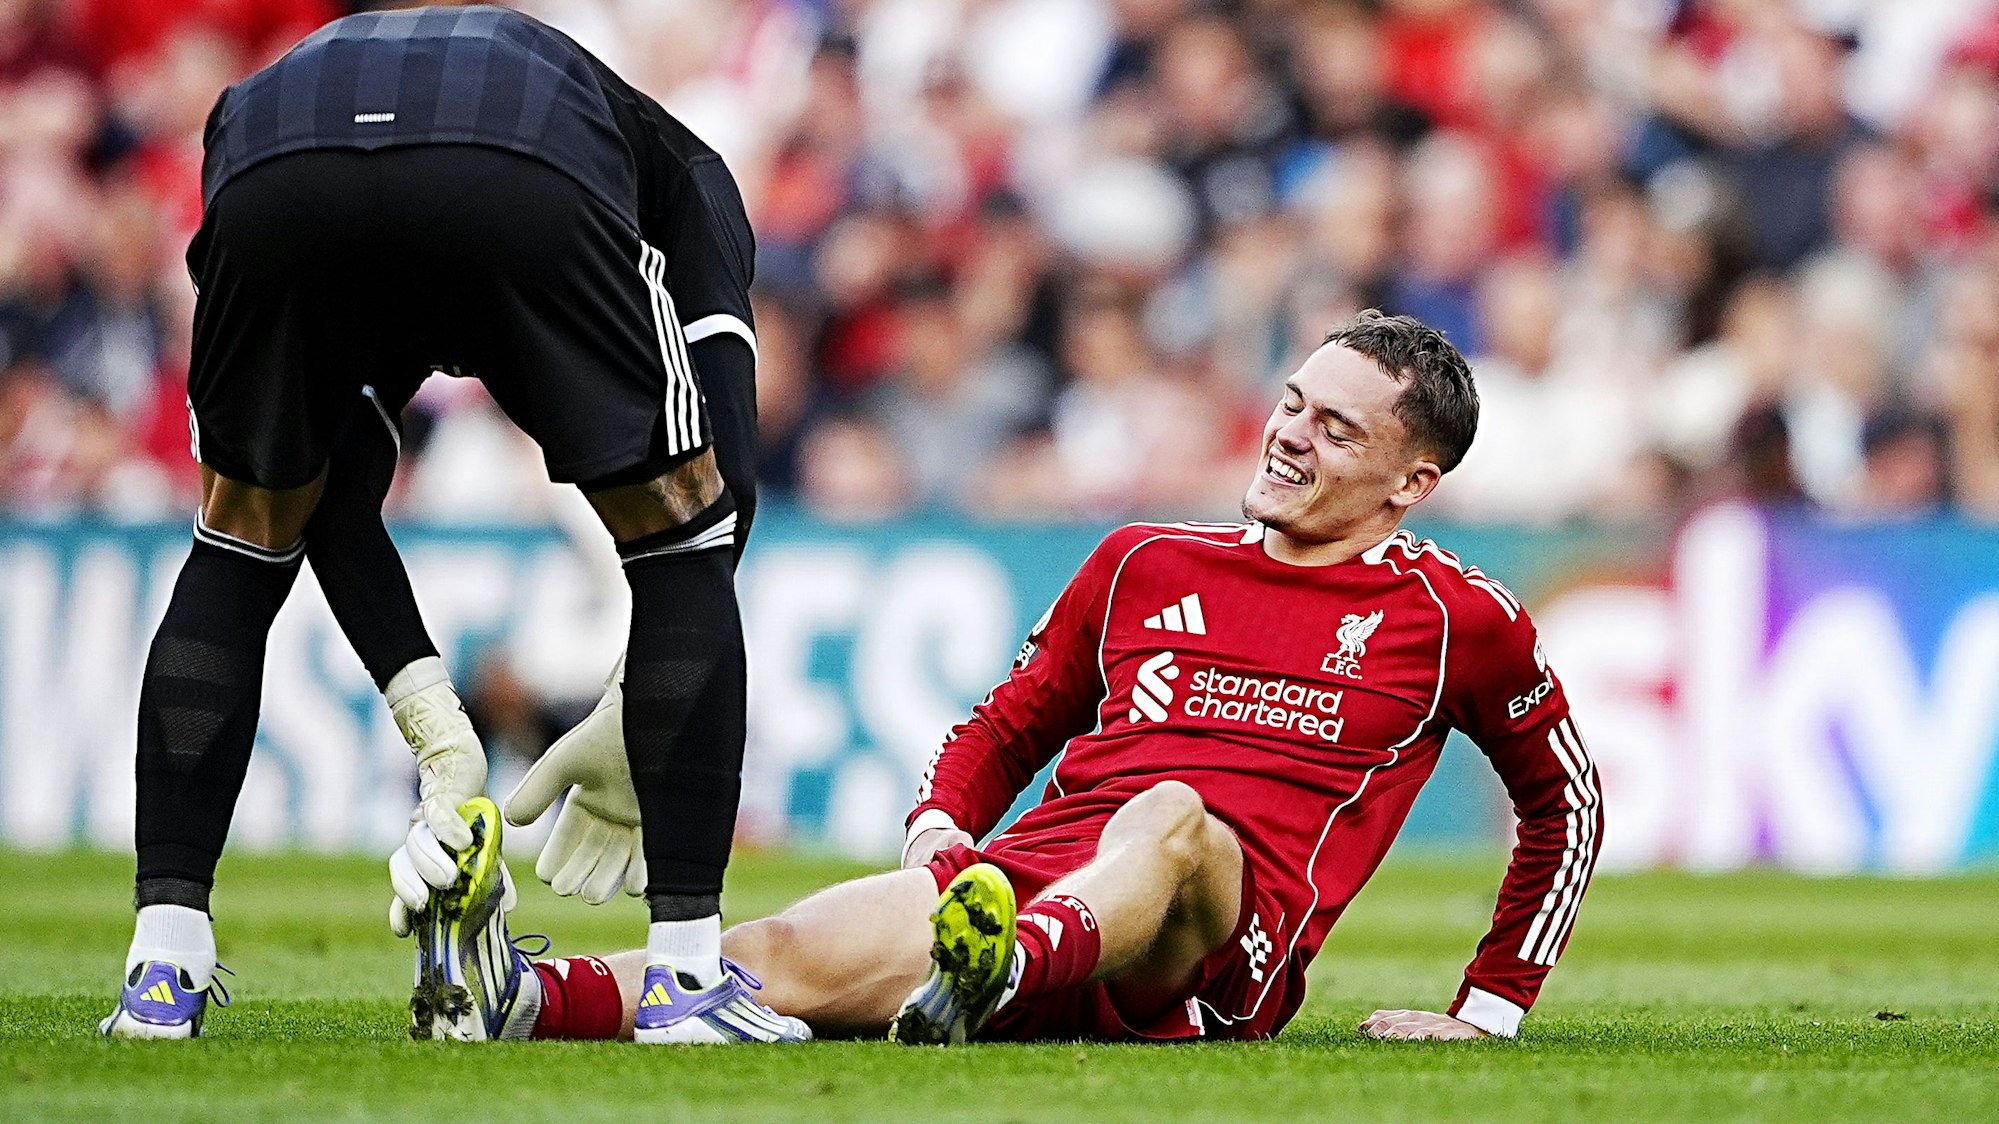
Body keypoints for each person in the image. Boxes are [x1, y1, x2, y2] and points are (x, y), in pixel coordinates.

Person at [422, 310, 1604, 1045]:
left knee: (1172, 816)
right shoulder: (1143, 559)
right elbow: (1006, 724)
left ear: (1412, 482)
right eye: (1291, 403)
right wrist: (942, 829)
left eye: (1337, 429)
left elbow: (1569, 804)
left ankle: (995, 968)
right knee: (772, 954)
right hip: (1027, 888)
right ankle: (517, 993)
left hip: (1211, 954)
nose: (1290, 433)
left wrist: (1488, 1006)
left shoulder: (1458, 618)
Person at [99, 5, 792, 1045]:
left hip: (270, 152)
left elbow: (325, 499)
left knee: (239, 537)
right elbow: (718, 488)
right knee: (679, 533)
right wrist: (643, 694)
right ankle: (686, 977)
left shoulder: (393, 249)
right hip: (512, 158)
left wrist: (437, 721)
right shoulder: (693, 180)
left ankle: (161, 969)